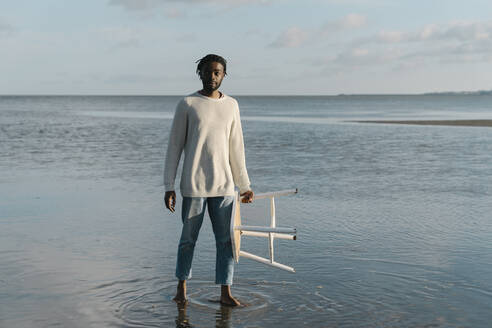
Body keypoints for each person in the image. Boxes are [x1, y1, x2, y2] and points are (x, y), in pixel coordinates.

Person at [164, 54, 254, 306]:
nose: (212, 76)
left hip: (224, 187)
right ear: (199, 72)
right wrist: (168, 186)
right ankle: (181, 289)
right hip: (193, 186)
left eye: (218, 72)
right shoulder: (187, 104)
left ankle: (225, 293)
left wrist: (244, 185)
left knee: (226, 241)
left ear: (224, 75)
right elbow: (174, 147)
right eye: (208, 71)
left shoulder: (232, 105)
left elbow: (237, 148)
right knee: (187, 241)